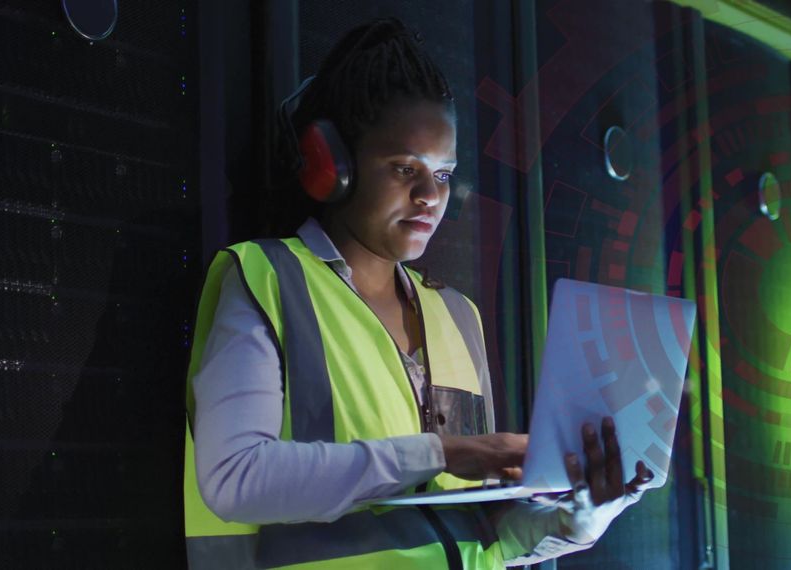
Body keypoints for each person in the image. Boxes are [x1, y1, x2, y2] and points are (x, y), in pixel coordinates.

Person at [183, 17, 654, 569]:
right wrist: (447, 452)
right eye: (406, 168)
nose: (431, 195)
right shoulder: (266, 279)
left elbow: (486, 537)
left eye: (446, 173)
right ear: (331, 167)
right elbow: (235, 479)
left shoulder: (458, 317)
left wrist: (580, 518)